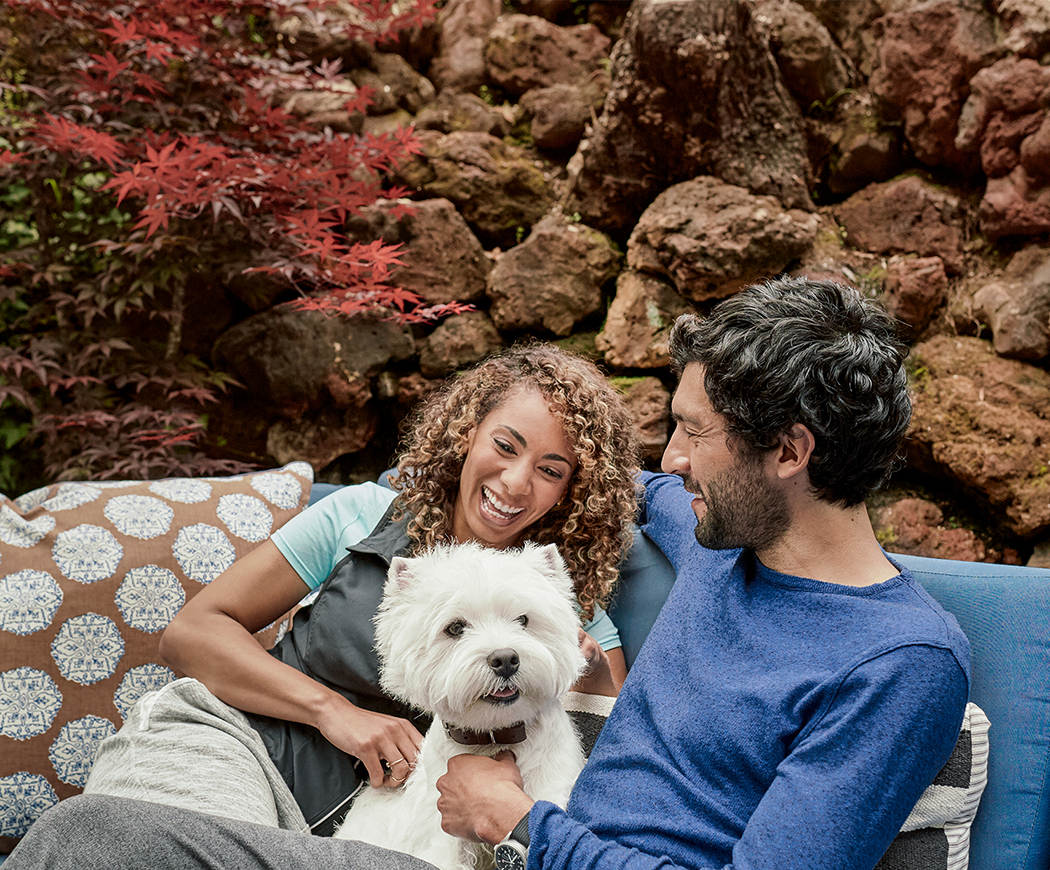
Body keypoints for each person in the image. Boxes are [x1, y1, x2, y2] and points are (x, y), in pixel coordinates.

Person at [7, 277, 971, 870]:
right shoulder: (723, 535)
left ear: (790, 452)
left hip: (524, 846)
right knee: (96, 837)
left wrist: (522, 824)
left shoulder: (897, 663)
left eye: (692, 432)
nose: (668, 462)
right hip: (488, 846)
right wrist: (456, 483)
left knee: (90, 846)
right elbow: (602, 480)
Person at [76, 343, 642, 837]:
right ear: (467, 435)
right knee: (150, 838)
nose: (515, 482)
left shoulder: (564, 594)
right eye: (505, 445)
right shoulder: (362, 516)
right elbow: (191, 633)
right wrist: (331, 710)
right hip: (236, 748)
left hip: (368, 831)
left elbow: (607, 751)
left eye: (551, 470)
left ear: (574, 490)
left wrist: (585, 670)